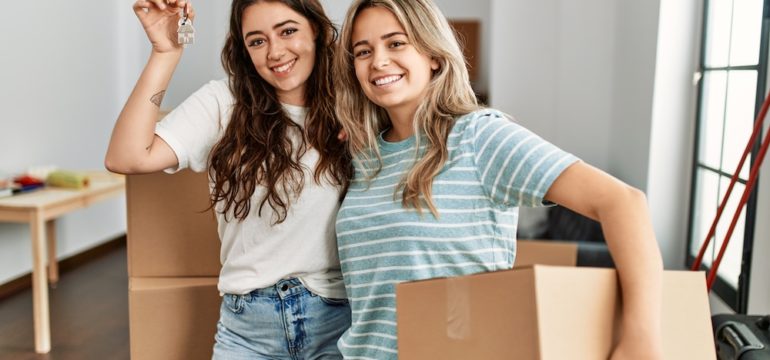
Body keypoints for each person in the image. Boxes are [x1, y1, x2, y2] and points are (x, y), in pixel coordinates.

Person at [332, 0, 664, 359]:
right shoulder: (363, 157)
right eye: (362, 51)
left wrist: (640, 336)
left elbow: (623, 202)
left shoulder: (478, 137)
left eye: (395, 43)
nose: (378, 61)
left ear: (433, 55)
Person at [105, 0, 352, 358]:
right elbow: (125, 156)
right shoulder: (224, 103)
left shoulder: (354, 105)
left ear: (314, 28)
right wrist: (165, 51)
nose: (275, 52)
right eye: (257, 41)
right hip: (248, 331)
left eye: (287, 31)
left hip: (338, 323)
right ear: (244, 50)